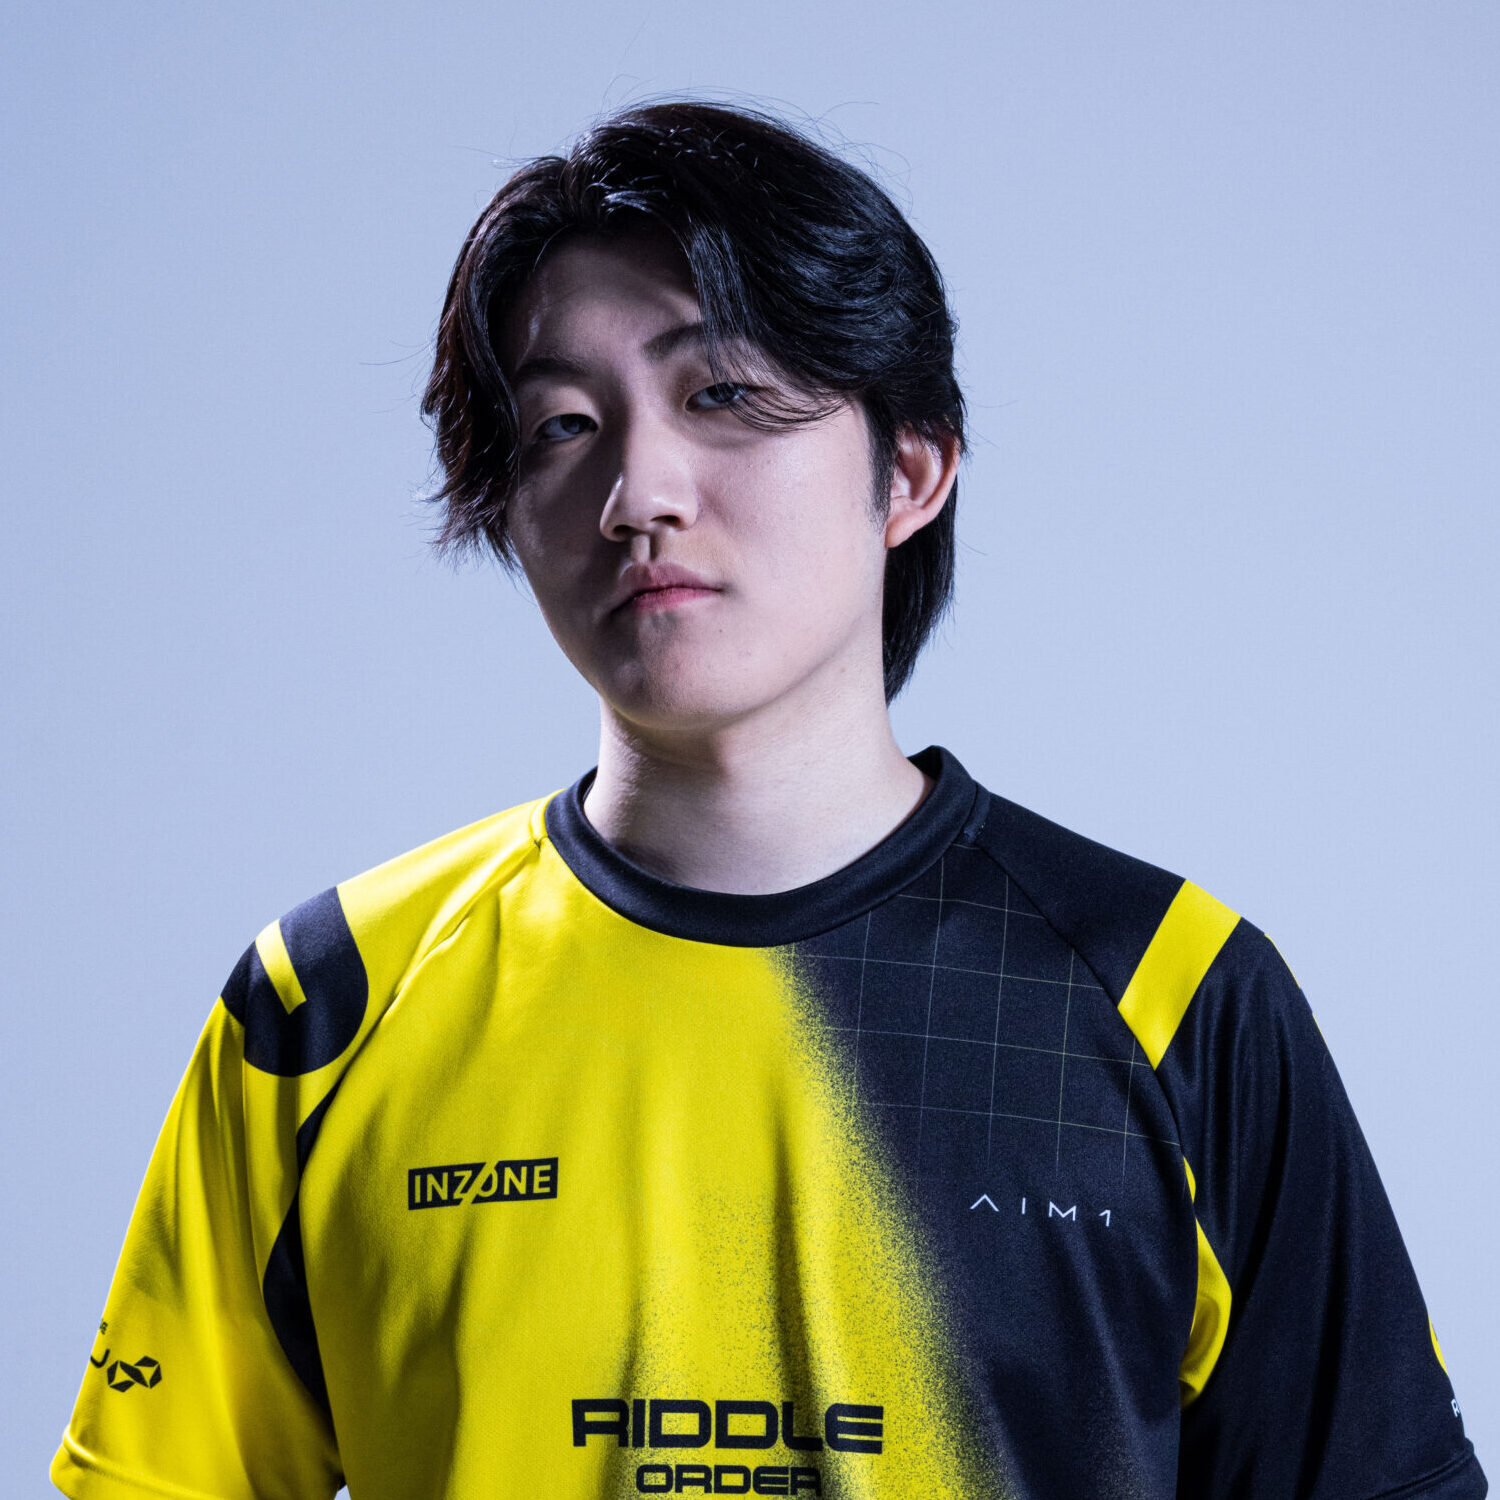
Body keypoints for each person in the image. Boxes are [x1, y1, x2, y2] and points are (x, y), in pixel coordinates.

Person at [51, 100, 1485, 1500]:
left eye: (721, 395)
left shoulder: (1172, 994)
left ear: (909, 471)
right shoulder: (332, 1002)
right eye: (561, 424)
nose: (638, 492)